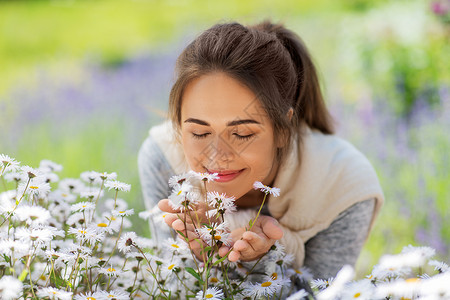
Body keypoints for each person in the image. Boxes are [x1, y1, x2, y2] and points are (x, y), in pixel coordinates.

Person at [138, 20, 384, 279]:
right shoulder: (164, 158)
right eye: (200, 133)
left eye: (241, 133)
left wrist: (265, 261)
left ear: (283, 129)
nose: (216, 154)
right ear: (178, 125)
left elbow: (321, 295)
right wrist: (199, 258)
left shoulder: (342, 185)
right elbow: (168, 286)